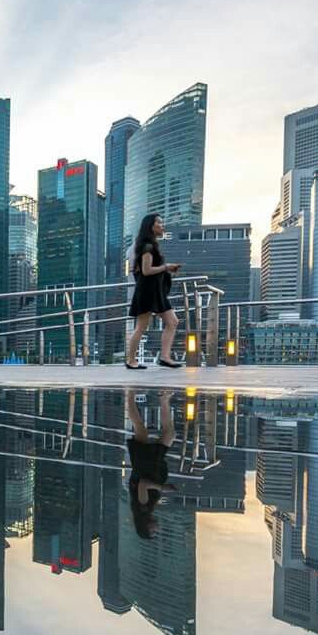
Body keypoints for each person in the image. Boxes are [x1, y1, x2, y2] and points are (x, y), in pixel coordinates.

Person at [125, 213, 183, 370]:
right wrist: (167, 267)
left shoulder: (151, 245)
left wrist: (167, 270)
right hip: (147, 291)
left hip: (156, 291)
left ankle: (164, 357)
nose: (162, 225)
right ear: (151, 226)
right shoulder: (147, 246)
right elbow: (146, 270)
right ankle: (131, 360)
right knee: (142, 326)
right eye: (159, 223)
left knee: (173, 321)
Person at [124, 389, 178, 538]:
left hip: (145, 463)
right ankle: (163, 399)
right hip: (151, 464)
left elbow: (143, 484)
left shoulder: (143, 508)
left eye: (153, 531)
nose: (156, 528)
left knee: (141, 429)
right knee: (169, 433)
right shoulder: (146, 509)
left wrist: (162, 488)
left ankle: (129, 395)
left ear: (145, 527)